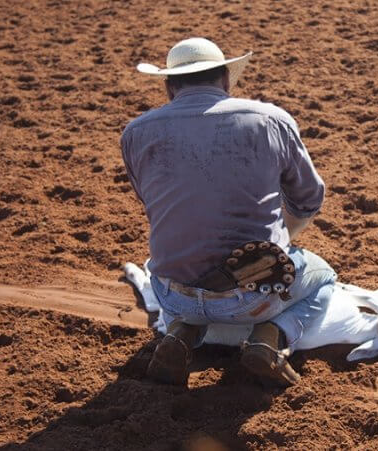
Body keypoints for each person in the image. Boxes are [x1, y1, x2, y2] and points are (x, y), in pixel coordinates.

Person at [120, 38, 336, 387]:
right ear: (225, 80)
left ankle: (181, 333)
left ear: (168, 87)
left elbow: (151, 202)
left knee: (187, 273)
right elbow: (309, 198)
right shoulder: (270, 119)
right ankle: (270, 337)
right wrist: (281, 243)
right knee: (324, 277)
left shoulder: (135, 133)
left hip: (173, 292)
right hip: (253, 297)